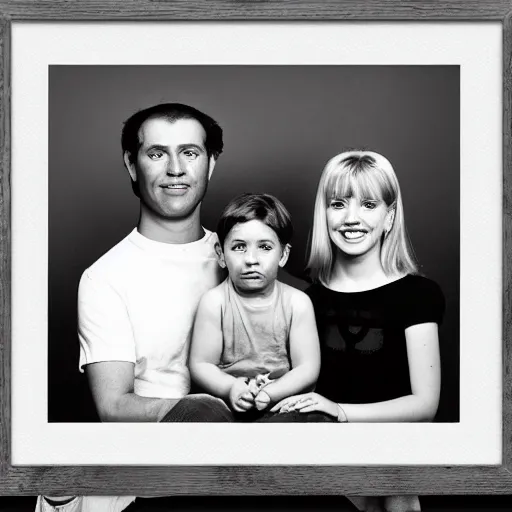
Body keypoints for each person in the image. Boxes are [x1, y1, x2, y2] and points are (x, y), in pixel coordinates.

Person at [39, 103, 228, 511]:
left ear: (211, 163)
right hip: (152, 484)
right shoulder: (105, 277)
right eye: (157, 153)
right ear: (131, 164)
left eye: (190, 153)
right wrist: (197, 411)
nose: (175, 169)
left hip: (240, 473)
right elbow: (112, 405)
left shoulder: (244, 257)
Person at [271, 150, 445, 512]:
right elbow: (300, 387)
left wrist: (340, 411)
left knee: (397, 491)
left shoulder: (419, 295)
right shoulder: (307, 300)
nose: (352, 218)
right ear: (325, 214)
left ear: (389, 215)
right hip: (326, 460)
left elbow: (425, 405)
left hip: (392, 457)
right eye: (338, 204)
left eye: (368, 204)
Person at [183, 193, 328, 422]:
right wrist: (231, 388)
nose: (251, 259)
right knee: (195, 408)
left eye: (265, 247)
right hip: (227, 405)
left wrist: (271, 393)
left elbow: (308, 368)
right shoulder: (215, 302)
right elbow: (201, 364)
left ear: (283, 254)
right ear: (221, 254)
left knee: (316, 415)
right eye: (239, 247)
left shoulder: (297, 303)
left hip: (281, 401)